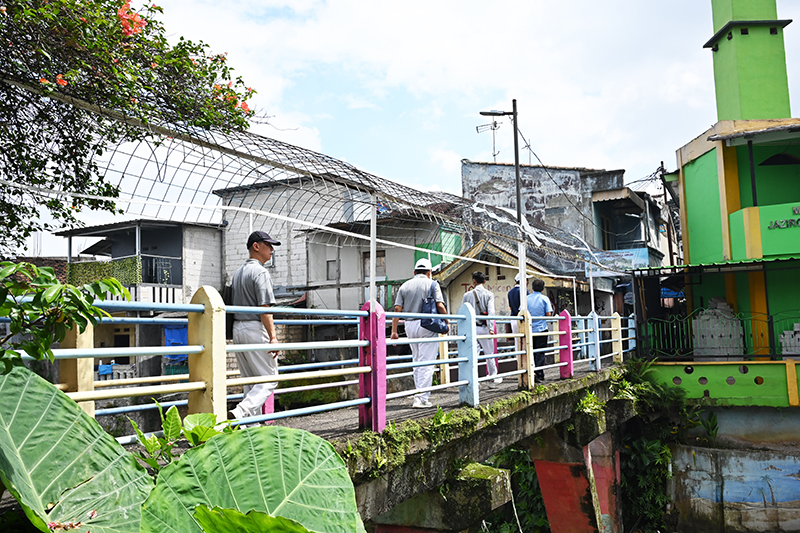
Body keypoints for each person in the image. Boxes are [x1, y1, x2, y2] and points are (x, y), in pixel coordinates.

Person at [228, 230, 282, 421]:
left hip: (237, 328)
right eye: (268, 245)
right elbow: (264, 308)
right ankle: (240, 412)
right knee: (270, 379)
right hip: (254, 328)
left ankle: (249, 426)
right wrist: (273, 337)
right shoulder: (261, 272)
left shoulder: (237, 273)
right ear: (256, 246)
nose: (272, 249)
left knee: (251, 382)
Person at [391, 258, 448, 409]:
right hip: (427, 325)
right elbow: (440, 306)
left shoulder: (405, 285)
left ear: (414, 272)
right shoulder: (432, 284)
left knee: (416, 360)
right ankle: (421, 398)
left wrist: (394, 331)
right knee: (427, 362)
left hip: (409, 325)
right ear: (429, 272)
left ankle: (418, 393)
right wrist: (447, 321)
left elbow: (397, 309)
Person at [462, 271, 501, 386]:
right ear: (484, 281)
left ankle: (474, 381)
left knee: (473, 355)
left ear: (473, 281)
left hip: (471, 328)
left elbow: (463, 312)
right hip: (484, 328)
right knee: (489, 354)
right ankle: (492, 379)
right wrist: (491, 328)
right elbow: (491, 312)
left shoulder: (466, 295)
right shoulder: (489, 295)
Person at [526, 278, 553, 383]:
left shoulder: (526, 299)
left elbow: (522, 312)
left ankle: (531, 372)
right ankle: (538, 373)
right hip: (541, 328)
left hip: (529, 329)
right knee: (540, 352)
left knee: (530, 351)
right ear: (542, 288)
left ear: (532, 287)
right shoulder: (545, 299)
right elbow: (548, 314)